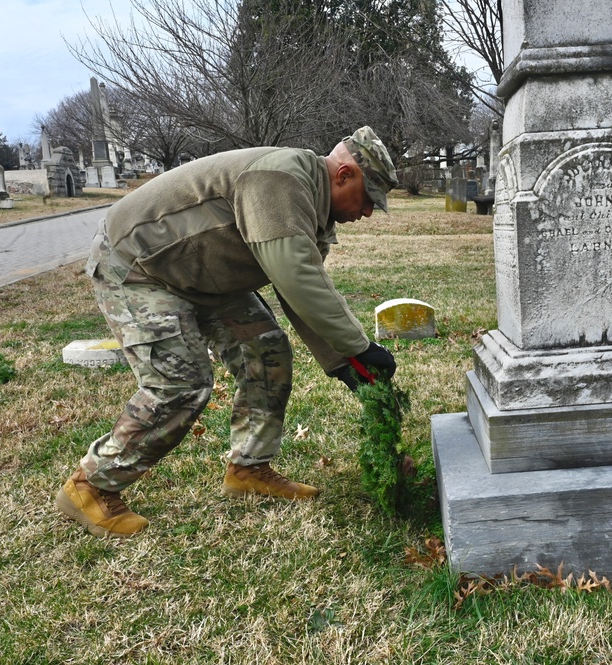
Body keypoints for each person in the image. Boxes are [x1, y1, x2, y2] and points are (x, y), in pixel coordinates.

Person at [55, 126, 399, 539]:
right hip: (138, 266)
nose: (366, 213)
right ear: (343, 175)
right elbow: (296, 276)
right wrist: (360, 346)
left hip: (201, 274)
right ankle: (90, 486)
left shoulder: (312, 205)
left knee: (267, 352)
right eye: (367, 200)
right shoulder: (280, 178)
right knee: (181, 382)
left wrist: (345, 362)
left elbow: (302, 292)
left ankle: (248, 469)